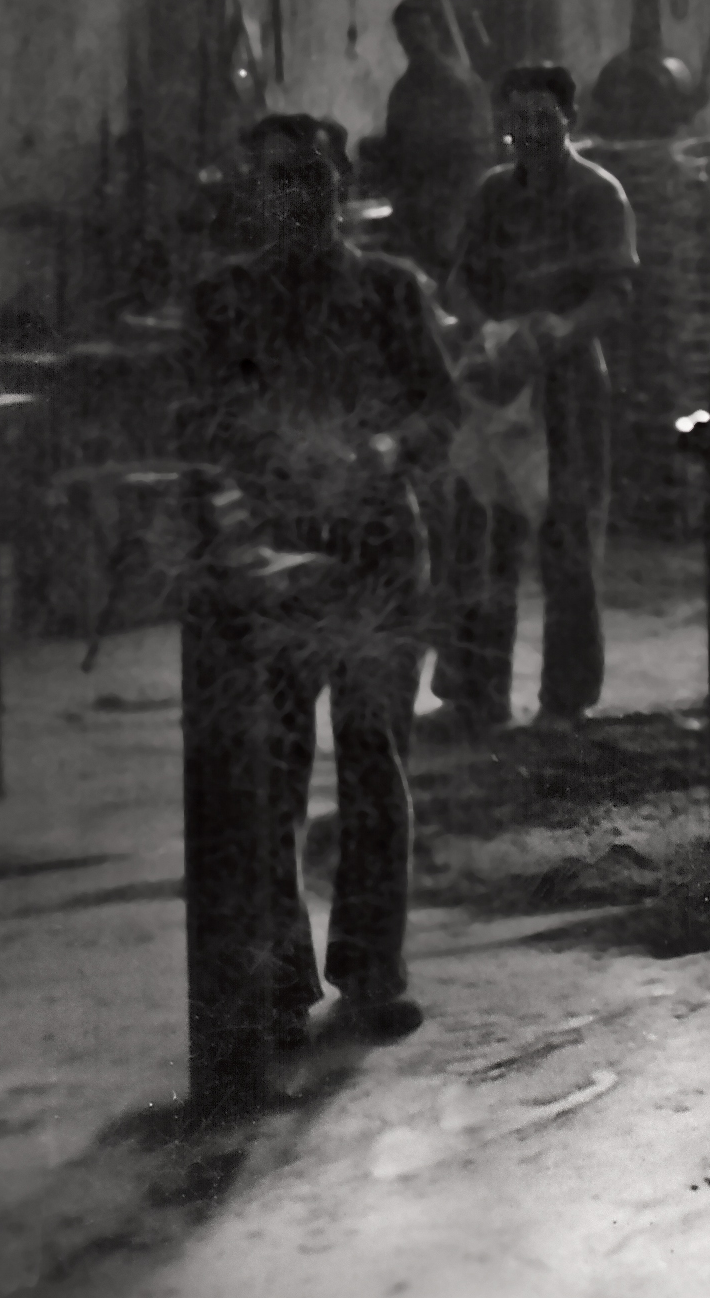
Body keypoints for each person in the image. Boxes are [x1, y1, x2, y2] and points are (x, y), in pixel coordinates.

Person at [177, 113, 457, 1048]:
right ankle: (280, 984)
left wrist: (383, 449)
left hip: (377, 552)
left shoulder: (391, 290)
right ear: (254, 194)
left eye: (312, 175)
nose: (297, 194)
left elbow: (440, 408)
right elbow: (198, 421)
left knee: (374, 757)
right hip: (277, 560)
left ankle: (372, 972)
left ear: (341, 185)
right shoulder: (223, 301)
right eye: (278, 178)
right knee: (271, 770)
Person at [439, 63, 638, 735]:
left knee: (568, 538)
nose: (528, 132)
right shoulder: (493, 192)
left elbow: (615, 293)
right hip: (499, 384)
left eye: (542, 119)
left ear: (569, 120)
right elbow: (460, 281)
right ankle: (477, 694)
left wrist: (552, 335)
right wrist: (487, 333)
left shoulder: (598, 193)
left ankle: (565, 699)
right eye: (517, 120)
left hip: (568, 384)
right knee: (481, 538)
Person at [366, 0, 494, 275]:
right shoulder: (403, 92)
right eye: (406, 35)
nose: (416, 42)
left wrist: (454, 206)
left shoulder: (462, 85)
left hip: (455, 203)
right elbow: (395, 149)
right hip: (417, 208)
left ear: (436, 33)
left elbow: (477, 152)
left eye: (422, 31)